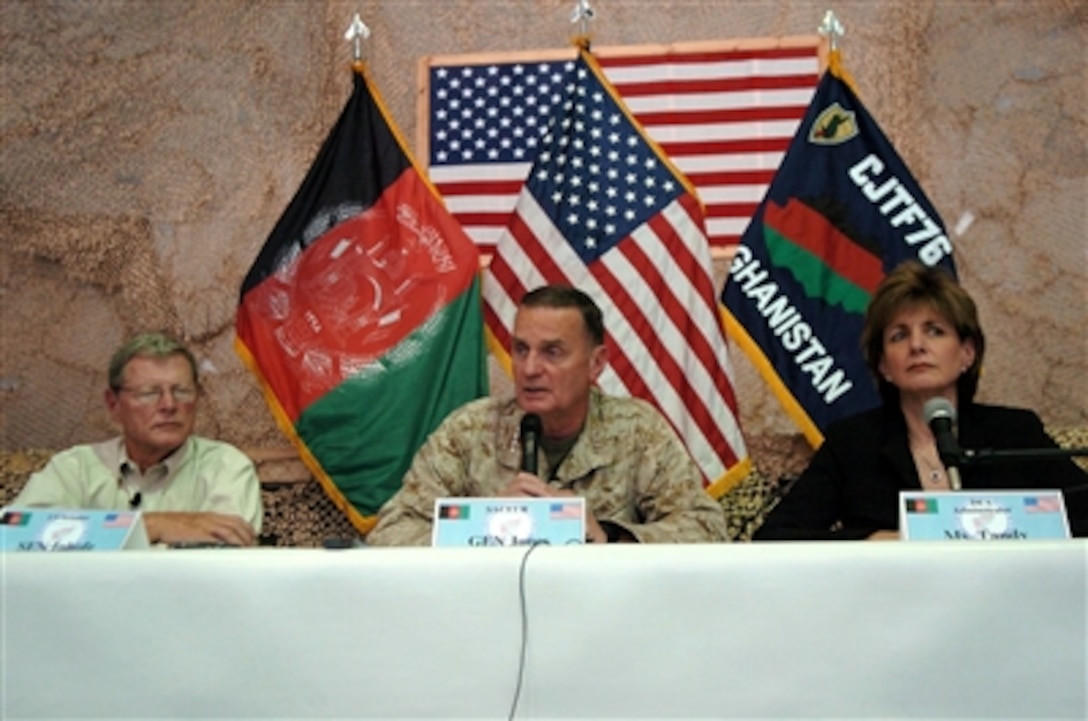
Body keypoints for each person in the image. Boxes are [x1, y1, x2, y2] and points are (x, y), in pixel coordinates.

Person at [366, 285, 728, 545]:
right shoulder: (469, 430)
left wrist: (609, 536)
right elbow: (389, 533)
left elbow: (707, 529)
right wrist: (484, 525)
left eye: (552, 352)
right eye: (521, 350)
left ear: (596, 363)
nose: (529, 368)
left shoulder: (638, 431)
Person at [754, 261, 1087, 540]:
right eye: (899, 335)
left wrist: (1024, 531)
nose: (917, 345)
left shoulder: (1014, 432)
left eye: (935, 331)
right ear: (884, 365)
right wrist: (871, 540)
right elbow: (775, 536)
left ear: (967, 354)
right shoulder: (853, 444)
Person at [13, 332, 263, 546]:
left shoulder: (226, 467)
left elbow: (222, 561)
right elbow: (14, 535)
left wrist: (98, 539)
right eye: (149, 393)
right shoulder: (75, 467)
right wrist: (152, 526)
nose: (169, 405)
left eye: (181, 391)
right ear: (114, 404)